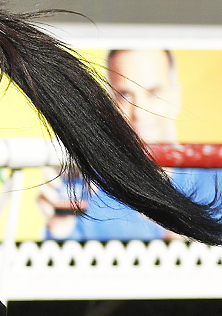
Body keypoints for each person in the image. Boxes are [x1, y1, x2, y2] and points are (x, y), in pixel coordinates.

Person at [38, 49, 221, 240]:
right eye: (125, 95)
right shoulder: (82, 191)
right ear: (109, 105)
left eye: (154, 93)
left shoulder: (217, 180)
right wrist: (60, 232)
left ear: (176, 96)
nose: (139, 113)